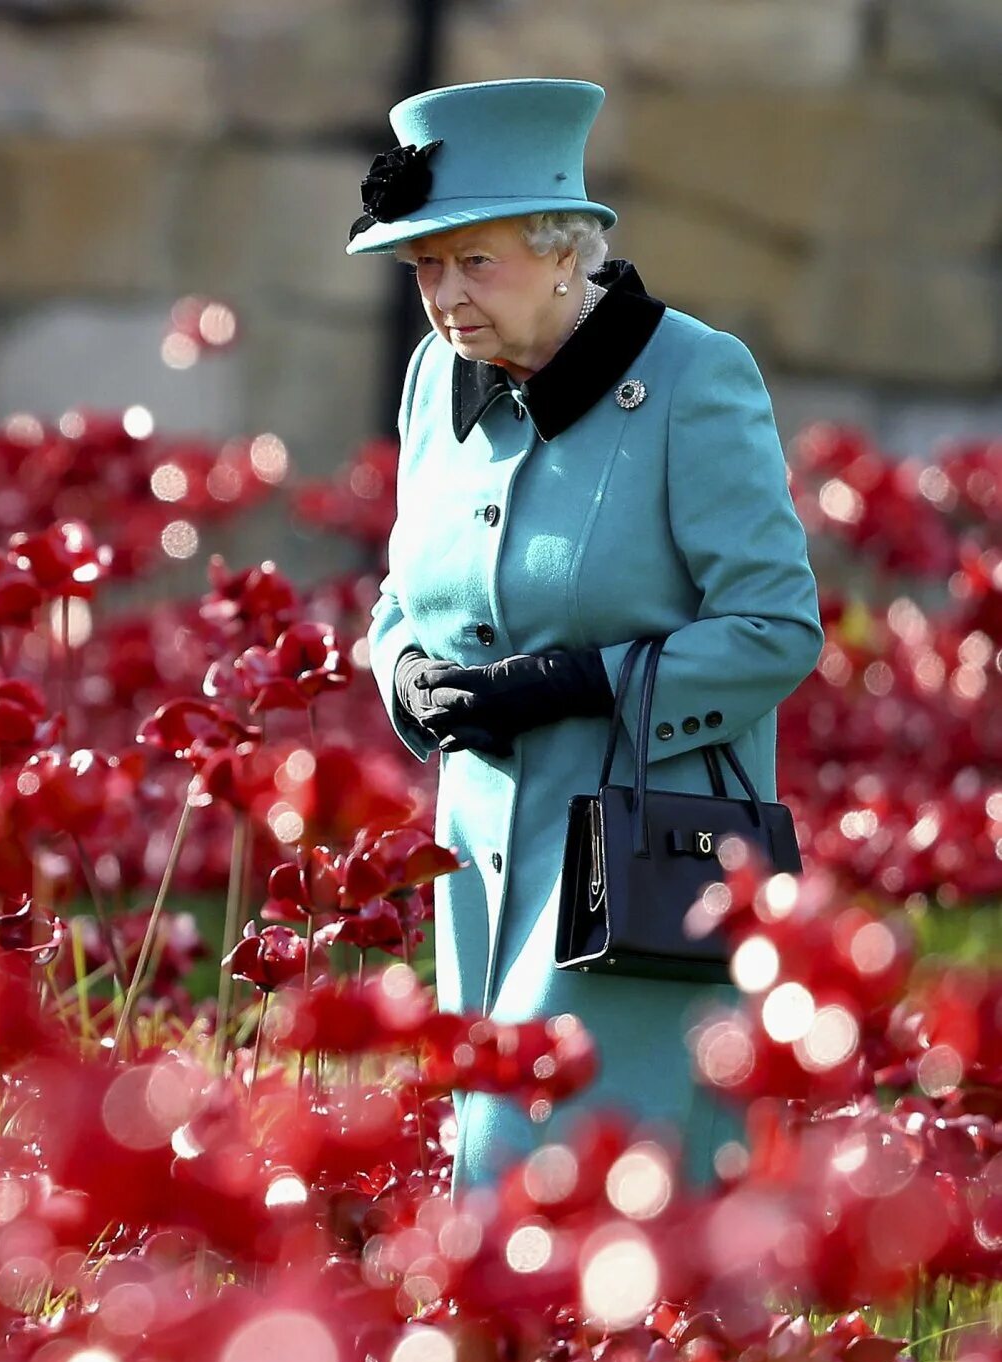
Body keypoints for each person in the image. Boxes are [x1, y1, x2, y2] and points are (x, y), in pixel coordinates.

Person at [349, 78, 825, 1201]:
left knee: (576, 1200)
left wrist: (580, 682)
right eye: (425, 266)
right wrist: (403, 670)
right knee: (488, 1191)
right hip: (472, 867)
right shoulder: (434, 381)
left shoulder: (691, 380)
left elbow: (775, 632)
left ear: (565, 249)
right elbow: (400, 598)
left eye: (477, 261)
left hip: (638, 876)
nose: (445, 297)